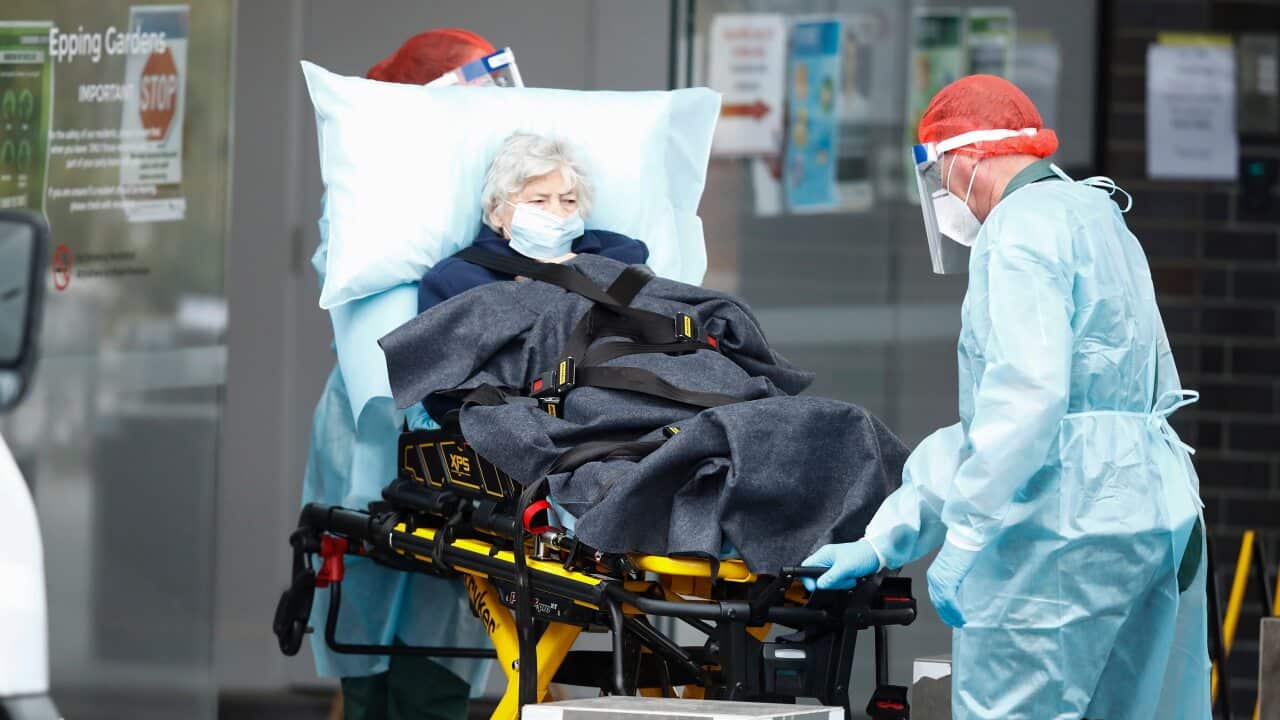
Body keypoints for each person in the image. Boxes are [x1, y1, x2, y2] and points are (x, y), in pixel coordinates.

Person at [803, 75, 1211, 719]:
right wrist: (890, 535)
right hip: (1156, 512)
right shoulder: (1096, 213)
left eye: (938, 174)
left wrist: (964, 536)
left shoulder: (1018, 232)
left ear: (963, 158)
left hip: (1062, 533)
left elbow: (1026, 404)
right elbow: (1020, 424)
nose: (942, 194)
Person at [303, 28, 499, 720]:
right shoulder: (373, 194)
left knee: (444, 625)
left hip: (459, 427)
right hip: (371, 421)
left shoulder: (510, 187)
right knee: (361, 625)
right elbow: (345, 275)